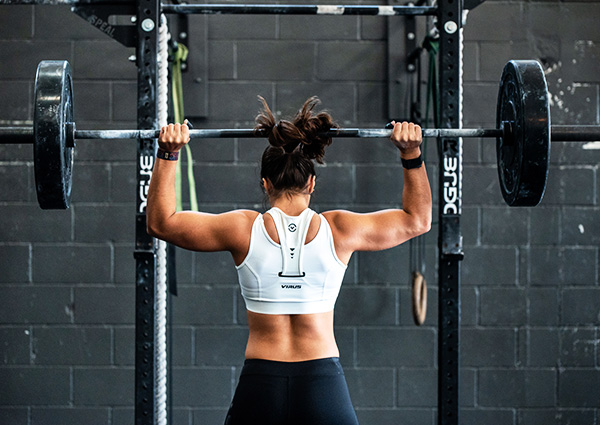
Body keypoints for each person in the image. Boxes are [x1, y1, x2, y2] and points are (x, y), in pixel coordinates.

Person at [146, 96, 432, 425]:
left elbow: (160, 223)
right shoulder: (340, 229)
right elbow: (417, 220)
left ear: (265, 183)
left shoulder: (242, 229)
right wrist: (411, 154)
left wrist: (169, 153)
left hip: (260, 384)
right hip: (322, 382)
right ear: (312, 183)